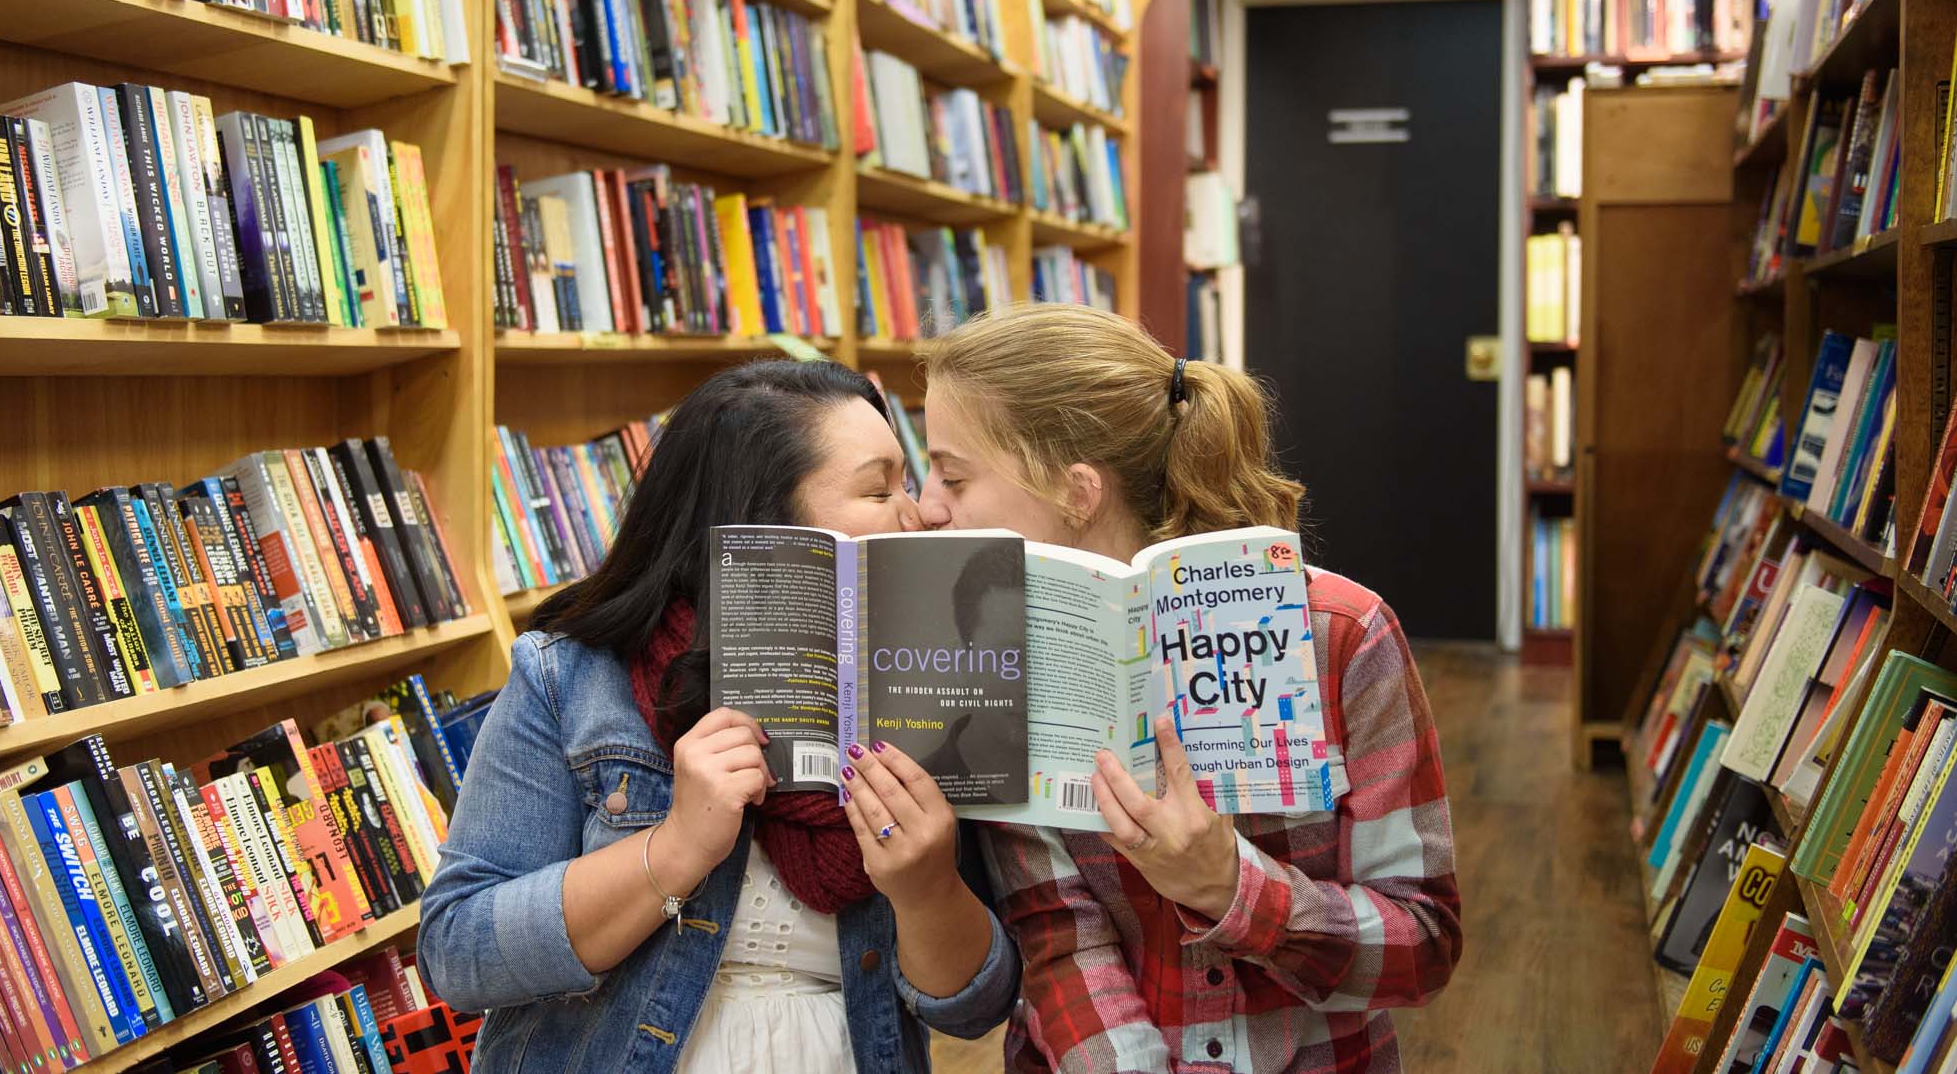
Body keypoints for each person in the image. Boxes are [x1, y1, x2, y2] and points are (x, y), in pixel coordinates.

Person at [418, 360, 1019, 1073]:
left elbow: (977, 1008)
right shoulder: (570, 675)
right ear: (766, 522)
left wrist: (926, 890)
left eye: (910, 483)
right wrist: (673, 851)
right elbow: (456, 951)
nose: (915, 514)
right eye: (879, 488)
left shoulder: (938, 687)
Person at [916, 304, 1461, 1073]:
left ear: (1077, 489)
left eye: (953, 473)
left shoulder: (1344, 634)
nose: (926, 504)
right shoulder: (995, 658)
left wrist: (1233, 885)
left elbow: (1424, 943)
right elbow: (1060, 940)